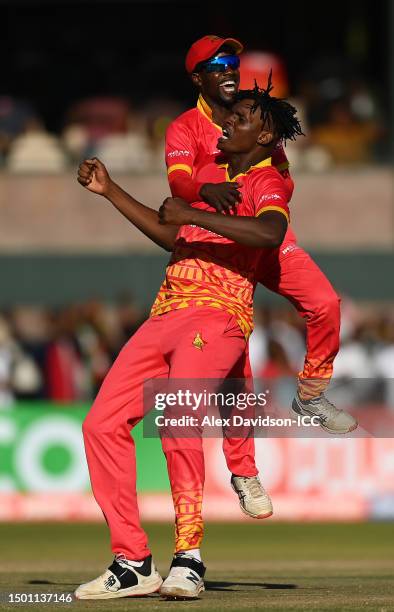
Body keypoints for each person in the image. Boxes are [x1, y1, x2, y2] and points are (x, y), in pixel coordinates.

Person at [75, 83, 302, 600]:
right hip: (166, 312)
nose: (227, 123)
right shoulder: (213, 180)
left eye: (241, 118)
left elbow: (269, 235)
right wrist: (110, 191)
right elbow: (170, 231)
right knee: (100, 424)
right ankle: (132, 560)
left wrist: (193, 212)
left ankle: (189, 558)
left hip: (218, 314)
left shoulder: (270, 179)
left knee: (179, 423)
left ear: (265, 133)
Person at [166, 35, 357, 437]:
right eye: (218, 67)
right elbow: (178, 186)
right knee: (238, 366)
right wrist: (207, 193)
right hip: (219, 245)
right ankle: (244, 472)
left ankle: (311, 393)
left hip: (263, 233)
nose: (230, 72)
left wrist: (263, 197)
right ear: (198, 78)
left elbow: (283, 181)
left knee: (325, 304)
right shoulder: (186, 128)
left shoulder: (255, 117)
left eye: (233, 64)